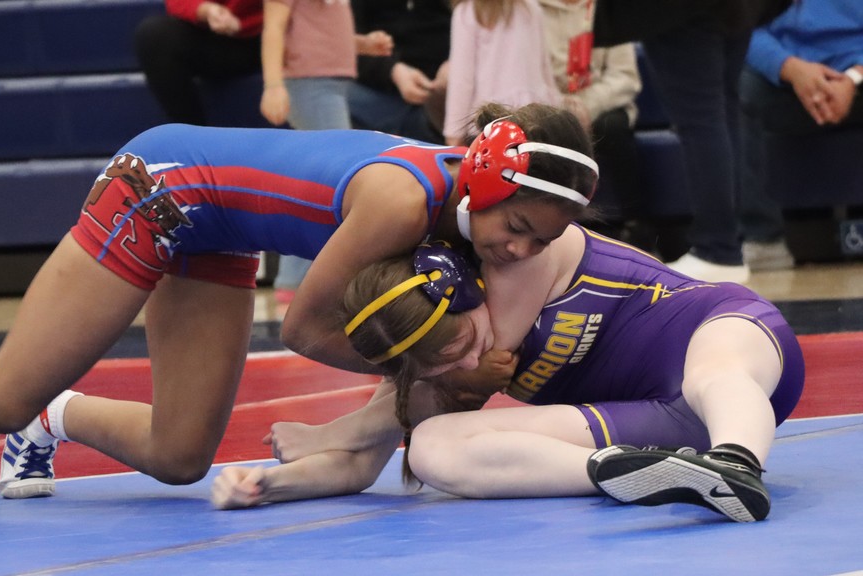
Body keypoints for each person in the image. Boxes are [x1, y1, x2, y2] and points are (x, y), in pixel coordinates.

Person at [0, 103, 599, 501]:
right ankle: (20, 406)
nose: (521, 252)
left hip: (222, 227)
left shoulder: (469, 222)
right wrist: (437, 376)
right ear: (488, 188)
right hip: (161, 189)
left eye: (542, 242)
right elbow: (308, 330)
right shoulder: (404, 204)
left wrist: (437, 375)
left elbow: (405, 352)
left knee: (179, 456)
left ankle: (51, 417)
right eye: (519, 229)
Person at [213, 129, 805, 524]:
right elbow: (364, 460)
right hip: (658, 423)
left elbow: (372, 427)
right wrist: (267, 486)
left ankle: (738, 465)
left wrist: (330, 429)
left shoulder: (517, 264)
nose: (466, 361)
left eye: (462, 339)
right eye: (441, 361)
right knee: (436, 450)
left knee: (713, 370)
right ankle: (632, 473)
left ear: (464, 289)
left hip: (730, 336)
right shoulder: (443, 341)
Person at [592, 0, 792, 283]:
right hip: (738, 7)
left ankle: (718, 249)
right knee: (721, 112)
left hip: (678, 10)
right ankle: (725, 246)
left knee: (703, 120)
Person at [258, 0, 393, 301]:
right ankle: (296, 278)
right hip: (310, 85)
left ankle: (294, 278)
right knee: (332, 178)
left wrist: (362, 44)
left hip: (327, 85)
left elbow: (318, 34)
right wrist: (273, 85)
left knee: (324, 178)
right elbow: (274, 29)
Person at [739, 0, 863, 271]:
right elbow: (741, 26)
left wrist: (854, 77)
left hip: (855, 69)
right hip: (786, 73)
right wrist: (792, 69)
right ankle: (764, 241)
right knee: (733, 88)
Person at [538, 0, 650, 249]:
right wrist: (561, 106)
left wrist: (586, 105)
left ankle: (635, 223)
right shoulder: (528, 10)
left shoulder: (611, 10)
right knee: (546, 129)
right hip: (548, 104)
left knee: (613, 128)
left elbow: (625, 78)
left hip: (602, 102)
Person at [442, 0, 562, 147]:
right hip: (536, 118)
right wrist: (557, 110)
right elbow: (545, 68)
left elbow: (462, 80)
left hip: (489, 122)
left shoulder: (467, 13)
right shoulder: (531, 8)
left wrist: (453, 133)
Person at [134, 0, 264, 126]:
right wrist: (206, 10)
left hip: (271, 34)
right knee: (154, 37)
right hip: (214, 37)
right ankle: (190, 139)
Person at [348, 0, 452, 143]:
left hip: (441, 88)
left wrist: (455, 64)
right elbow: (346, 48)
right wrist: (393, 71)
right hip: (378, 90)